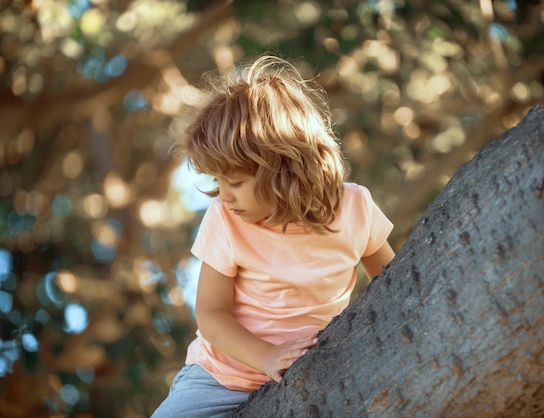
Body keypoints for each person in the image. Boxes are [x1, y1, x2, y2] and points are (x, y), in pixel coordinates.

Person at [151, 54, 395, 418]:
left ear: (284, 169)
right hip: (219, 378)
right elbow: (211, 315)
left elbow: (391, 282)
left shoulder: (355, 207)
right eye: (217, 182)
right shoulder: (226, 219)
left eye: (235, 182)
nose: (223, 194)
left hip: (316, 373)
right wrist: (266, 357)